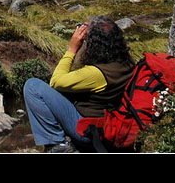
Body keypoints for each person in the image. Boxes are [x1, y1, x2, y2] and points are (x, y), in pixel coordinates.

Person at [23, 16, 135, 153]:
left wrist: (72, 49)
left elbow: (56, 81)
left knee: (33, 86)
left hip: (89, 132)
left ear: (95, 46)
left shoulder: (95, 74)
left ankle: (58, 145)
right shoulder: (127, 63)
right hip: (108, 127)